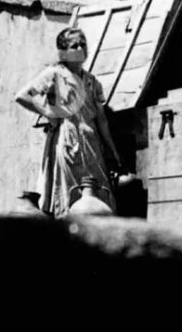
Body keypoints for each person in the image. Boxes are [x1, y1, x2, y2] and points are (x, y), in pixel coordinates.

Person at [15, 26, 122, 217]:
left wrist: (112, 151)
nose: (80, 49)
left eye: (83, 44)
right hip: (66, 140)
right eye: (74, 46)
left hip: (92, 143)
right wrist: (49, 114)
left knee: (98, 197)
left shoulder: (92, 81)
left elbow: (102, 120)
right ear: (63, 52)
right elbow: (23, 96)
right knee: (67, 196)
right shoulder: (54, 74)